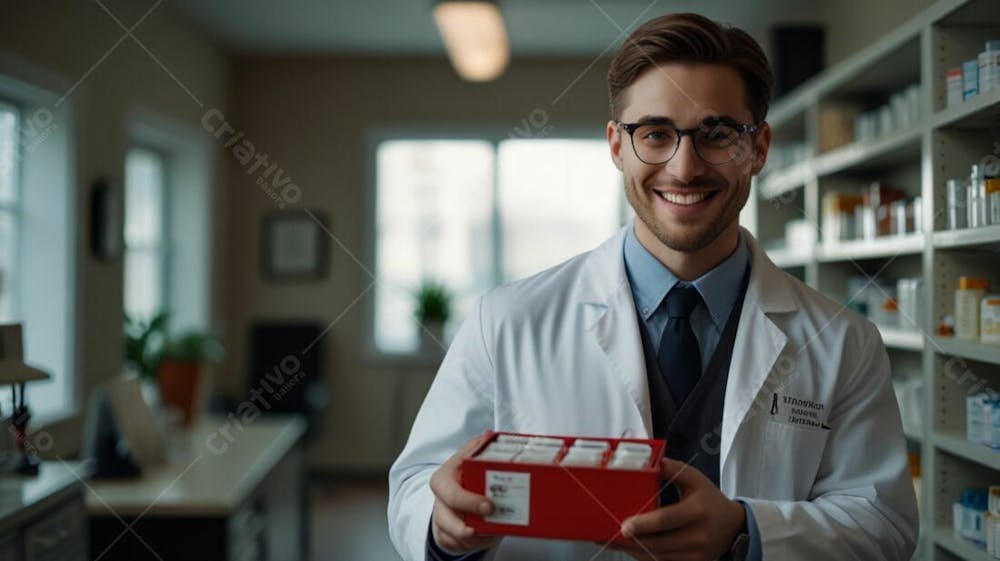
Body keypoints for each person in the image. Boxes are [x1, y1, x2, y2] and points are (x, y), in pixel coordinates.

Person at [388, 12, 918, 561]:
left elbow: (885, 526)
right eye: (656, 134)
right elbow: (414, 487)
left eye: (717, 134)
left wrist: (746, 530)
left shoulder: (844, 342)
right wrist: (441, 523)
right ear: (617, 146)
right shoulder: (504, 322)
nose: (684, 167)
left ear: (758, 148)